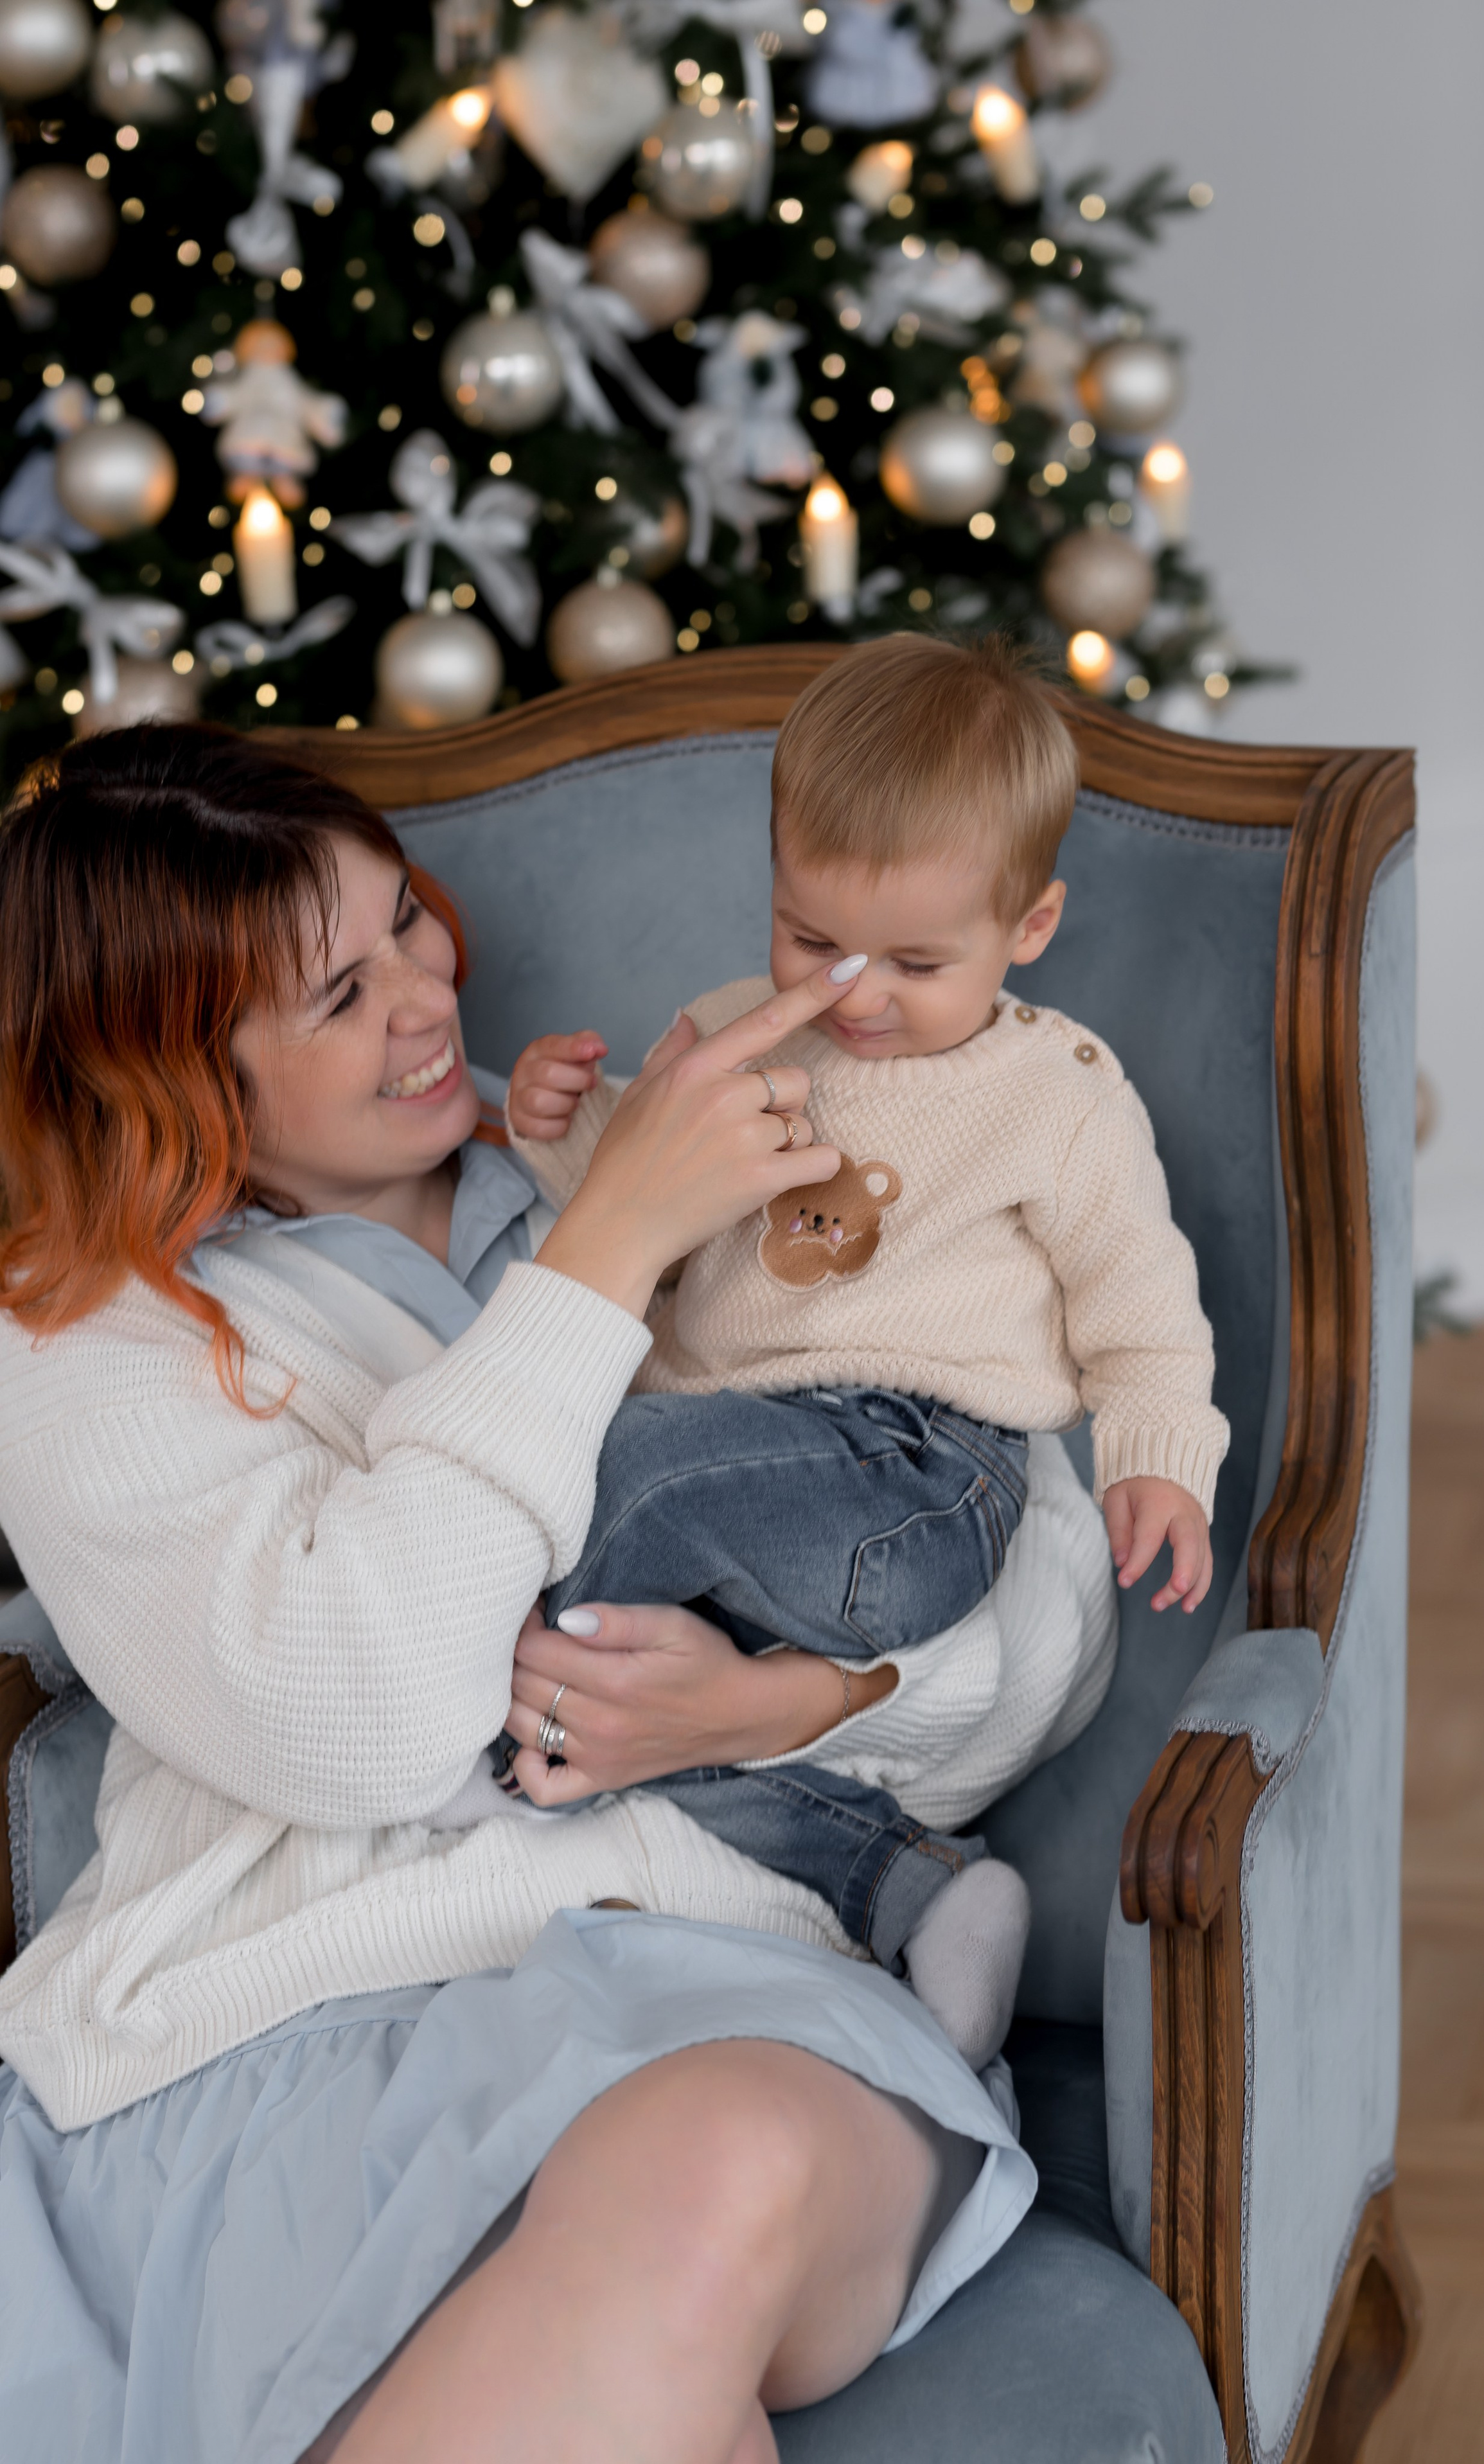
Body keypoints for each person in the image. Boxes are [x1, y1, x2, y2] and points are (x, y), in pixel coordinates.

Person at [0, 724, 1114, 2464]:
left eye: (407, 924)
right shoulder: (84, 1334)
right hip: (262, 2036)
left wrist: (791, 1707)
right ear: (175, 1076)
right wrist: (601, 1264)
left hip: (715, 1984)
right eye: (335, 993)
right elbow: (365, 1717)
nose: (429, 996)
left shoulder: (692, 1160)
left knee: (711, 2174)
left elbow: (1040, 1596)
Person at [506, 633, 1230, 2066]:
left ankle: (486, 1738)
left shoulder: (1054, 1092)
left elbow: (1138, 1304)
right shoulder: (729, 1030)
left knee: (617, 1478)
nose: (853, 994)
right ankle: (914, 1886)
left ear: (1026, 926)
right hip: (746, 1489)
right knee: (643, 1718)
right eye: (807, 939)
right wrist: (557, 1127)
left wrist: (1161, 1463)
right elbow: (634, 1199)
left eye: (914, 959)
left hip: (913, 1477)